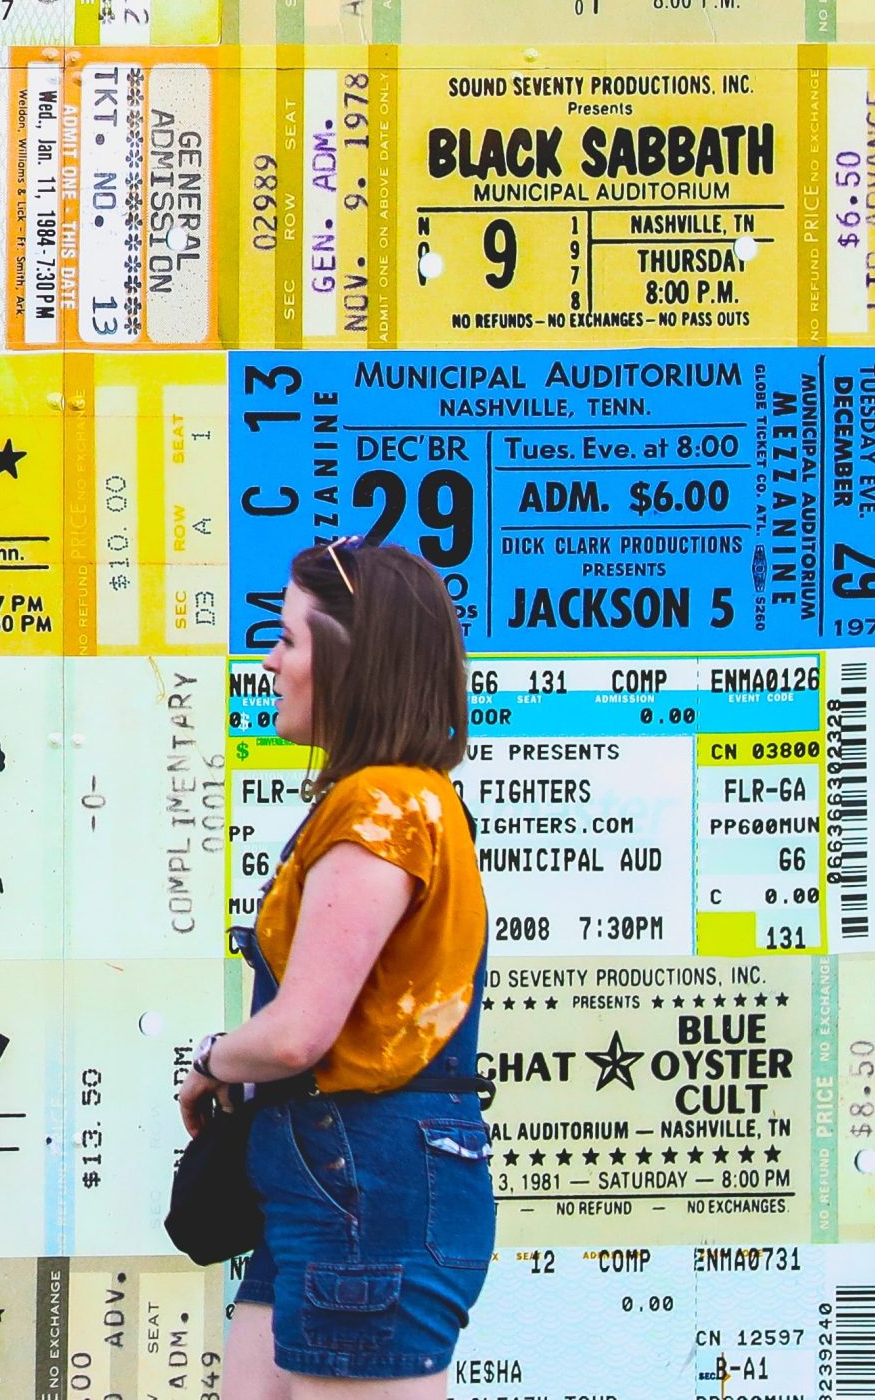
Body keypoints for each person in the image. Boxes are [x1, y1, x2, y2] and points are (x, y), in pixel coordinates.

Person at [178, 538, 495, 1399]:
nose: (269, 662)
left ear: (349, 657)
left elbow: (299, 1033)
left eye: (287, 639)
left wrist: (211, 1063)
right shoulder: (408, 798)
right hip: (336, 1178)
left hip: (363, 1178)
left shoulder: (382, 805)